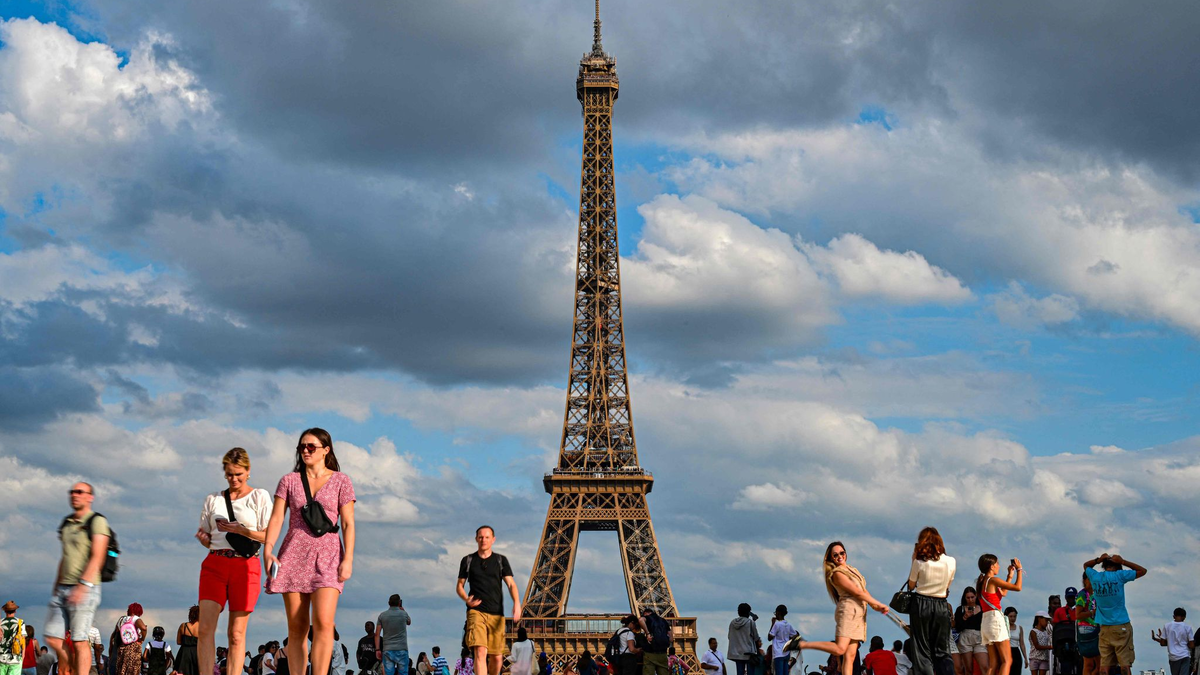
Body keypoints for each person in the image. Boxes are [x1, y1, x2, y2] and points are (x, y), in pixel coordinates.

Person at [264, 429, 357, 675]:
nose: (305, 450)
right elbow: (276, 518)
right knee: (297, 628)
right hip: (293, 555)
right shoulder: (289, 481)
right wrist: (268, 550)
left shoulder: (341, 481)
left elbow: (348, 523)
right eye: (302, 446)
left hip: (328, 555)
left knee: (324, 624)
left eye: (311, 446)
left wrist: (348, 558)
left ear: (326, 450)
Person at [196, 449, 273, 675]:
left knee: (236, 634)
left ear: (248, 472)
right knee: (205, 629)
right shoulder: (213, 499)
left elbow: (269, 535)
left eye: (238, 474)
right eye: (229, 474)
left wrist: (242, 530)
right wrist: (204, 539)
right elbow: (206, 535)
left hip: (245, 565)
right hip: (215, 563)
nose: (234, 479)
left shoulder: (259, 496)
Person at [790, 543, 890, 675]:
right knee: (840, 649)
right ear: (831, 558)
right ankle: (802, 644)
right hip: (848, 612)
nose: (839, 556)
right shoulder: (836, 574)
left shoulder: (853, 570)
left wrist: (874, 605)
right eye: (835, 555)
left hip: (859, 614)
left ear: (846, 553)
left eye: (842, 553)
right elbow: (856, 592)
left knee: (850, 656)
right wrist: (877, 603)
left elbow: (863, 590)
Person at [45, 484, 109, 675]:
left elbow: (98, 556)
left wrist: (83, 585)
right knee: (53, 637)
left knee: (79, 640)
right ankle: (73, 668)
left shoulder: (97, 521)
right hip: (63, 587)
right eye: (72, 492)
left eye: (79, 492)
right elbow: (65, 556)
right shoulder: (66, 523)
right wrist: (56, 584)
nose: (74, 495)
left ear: (90, 497)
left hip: (87, 587)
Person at [455, 526, 520, 675]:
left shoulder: (501, 560)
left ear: (493, 540)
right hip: (476, 611)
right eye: (481, 537)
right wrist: (466, 599)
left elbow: (511, 584)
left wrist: (517, 603)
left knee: (496, 657)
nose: (483, 540)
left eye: (487, 537)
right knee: (480, 651)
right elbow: (459, 586)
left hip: (496, 613)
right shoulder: (468, 560)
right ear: (476, 539)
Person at [1082, 553, 1146, 675]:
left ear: (1104, 566)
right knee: (1124, 665)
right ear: (1117, 567)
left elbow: (1085, 565)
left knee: (1104, 666)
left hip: (1104, 627)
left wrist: (1098, 560)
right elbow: (1142, 571)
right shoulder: (1119, 575)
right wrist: (1123, 561)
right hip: (1121, 625)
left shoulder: (1095, 577)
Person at [905, 528, 955, 675]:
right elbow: (947, 586)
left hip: (921, 603)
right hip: (941, 603)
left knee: (922, 650)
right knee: (942, 649)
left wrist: (913, 560)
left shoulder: (919, 562)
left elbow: (911, 585)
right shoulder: (951, 561)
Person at [975, 555, 1022, 675]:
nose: (999, 566)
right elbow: (1018, 587)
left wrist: (1009, 576)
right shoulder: (993, 580)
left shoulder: (983, 582)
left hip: (986, 621)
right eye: (997, 564)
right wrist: (1019, 570)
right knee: (1007, 661)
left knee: (993, 663)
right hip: (995, 620)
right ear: (992, 566)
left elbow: (1003, 593)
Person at [374, 595, 411, 675]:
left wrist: (377, 649)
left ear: (388, 603)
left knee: (388, 673)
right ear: (399, 603)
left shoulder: (382, 615)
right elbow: (409, 622)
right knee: (403, 673)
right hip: (402, 648)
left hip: (388, 649)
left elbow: (377, 634)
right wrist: (402, 609)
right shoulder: (404, 614)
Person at [1152, 609, 1193, 675]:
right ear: (1184, 617)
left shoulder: (1167, 626)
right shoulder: (1188, 627)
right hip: (1185, 655)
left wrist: (1162, 640)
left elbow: (1162, 643)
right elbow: (1191, 645)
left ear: (1173, 616)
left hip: (1173, 657)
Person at [954, 588, 985, 675]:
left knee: (985, 666)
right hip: (965, 637)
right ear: (964, 598)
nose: (970, 600)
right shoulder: (960, 609)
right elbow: (958, 627)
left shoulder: (982, 608)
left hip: (979, 637)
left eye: (972, 597)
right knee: (969, 669)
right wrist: (965, 617)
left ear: (976, 596)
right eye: (968, 598)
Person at [112, 605, 146, 675]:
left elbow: (116, 634)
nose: (127, 611)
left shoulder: (121, 620)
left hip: (122, 649)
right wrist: (142, 639)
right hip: (134, 649)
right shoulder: (135, 618)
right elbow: (144, 628)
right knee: (133, 671)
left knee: (121, 670)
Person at [727, 604, 761, 675]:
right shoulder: (750, 623)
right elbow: (756, 638)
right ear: (748, 613)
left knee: (740, 672)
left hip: (736, 653)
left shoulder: (732, 623)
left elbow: (729, 636)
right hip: (749, 653)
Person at [768, 607, 798, 675]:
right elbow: (795, 635)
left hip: (778, 653)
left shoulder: (777, 624)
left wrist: (772, 624)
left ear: (778, 613)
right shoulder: (788, 624)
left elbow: (769, 637)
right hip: (786, 652)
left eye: (775, 613)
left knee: (779, 673)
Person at [1, 601, 26, 675]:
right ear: (15, 611)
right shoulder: (20, 622)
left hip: (1, 658)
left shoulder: (0, 622)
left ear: (5, 611)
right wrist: (23, 656)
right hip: (15, 658)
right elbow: (23, 640)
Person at [174, 607, 199, 675]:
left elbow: (178, 642)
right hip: (197, 652)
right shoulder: (202, 626)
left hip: (184, 653)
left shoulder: (183, 626)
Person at [1002, 609, 1024, 675]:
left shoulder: (1019, 628)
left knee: (1017, 672)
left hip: (1016, 652)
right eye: (1010, 616)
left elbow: (1022, 643)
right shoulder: (1003, 628)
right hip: (1006, 651)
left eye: (1014, 616)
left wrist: (1025, 658)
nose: (1013, 618)